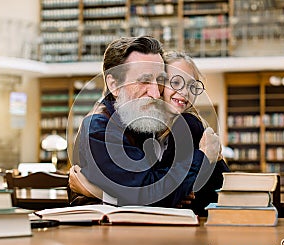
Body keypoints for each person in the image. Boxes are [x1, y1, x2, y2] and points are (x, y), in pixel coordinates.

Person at [69, 36, 225, 210]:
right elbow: (151, 192)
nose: (155, 93)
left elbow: (156, 193)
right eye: (144, 80)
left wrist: (95, 192)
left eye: (159, 81)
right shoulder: (99, 129)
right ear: (114, 84)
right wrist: (202, 157)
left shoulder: (145, 121)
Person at [161, 50, 230, 215]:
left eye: (192, 86)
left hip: (210, 222)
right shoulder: (156, 132)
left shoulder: (187, 124)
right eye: (176, 82)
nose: (185, 92)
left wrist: (173, 195)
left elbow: (165, 190)